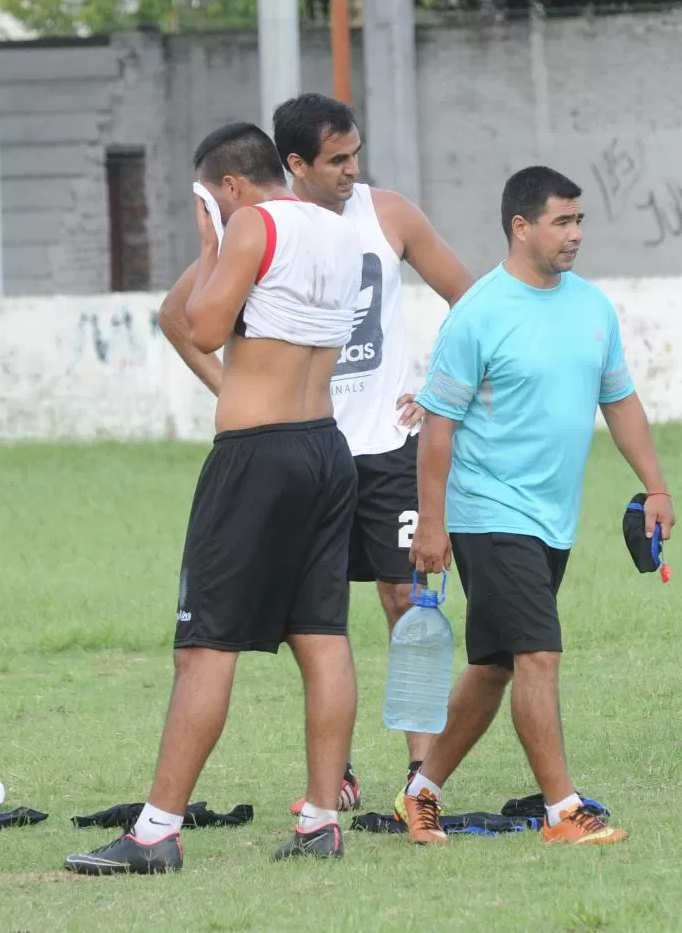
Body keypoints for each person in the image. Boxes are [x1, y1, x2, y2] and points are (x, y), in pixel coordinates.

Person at [159, 93, 474, 811]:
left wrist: (438, 391)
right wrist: (233, 390)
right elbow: (181, 320)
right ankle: (334, 783)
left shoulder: (383, 214)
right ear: (293, 163)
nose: (351, 171)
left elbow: (473, 302)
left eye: (355, 154)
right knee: (317, 624)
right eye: (337, 159)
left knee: (404, 603)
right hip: (316, 447)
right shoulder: (266, 229)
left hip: (382, 449)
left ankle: (418, 779)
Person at [65, 122, 364, 874]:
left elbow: (200, 324)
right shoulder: (335, 227)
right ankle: (321, 820)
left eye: (207, 198)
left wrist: (211, 245)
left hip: (256, 459)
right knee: (322, 636)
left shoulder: (252, 224)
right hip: (326, 447)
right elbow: (200, 324)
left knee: (204, 647)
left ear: (228, 186)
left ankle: (155, 832)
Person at [401, 165, 676, 847]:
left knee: (493, 665)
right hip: (488, 512)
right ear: (520, 227)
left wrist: (657, 486)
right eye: (562, 221)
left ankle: (421, 792)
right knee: (538, 653)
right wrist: (431, 521)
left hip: (552, 517)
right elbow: (437, 427)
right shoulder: (480, 313)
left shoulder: (592, 307)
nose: (575, 234)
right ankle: (562, 811)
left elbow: (620, 400)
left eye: (579, 220)